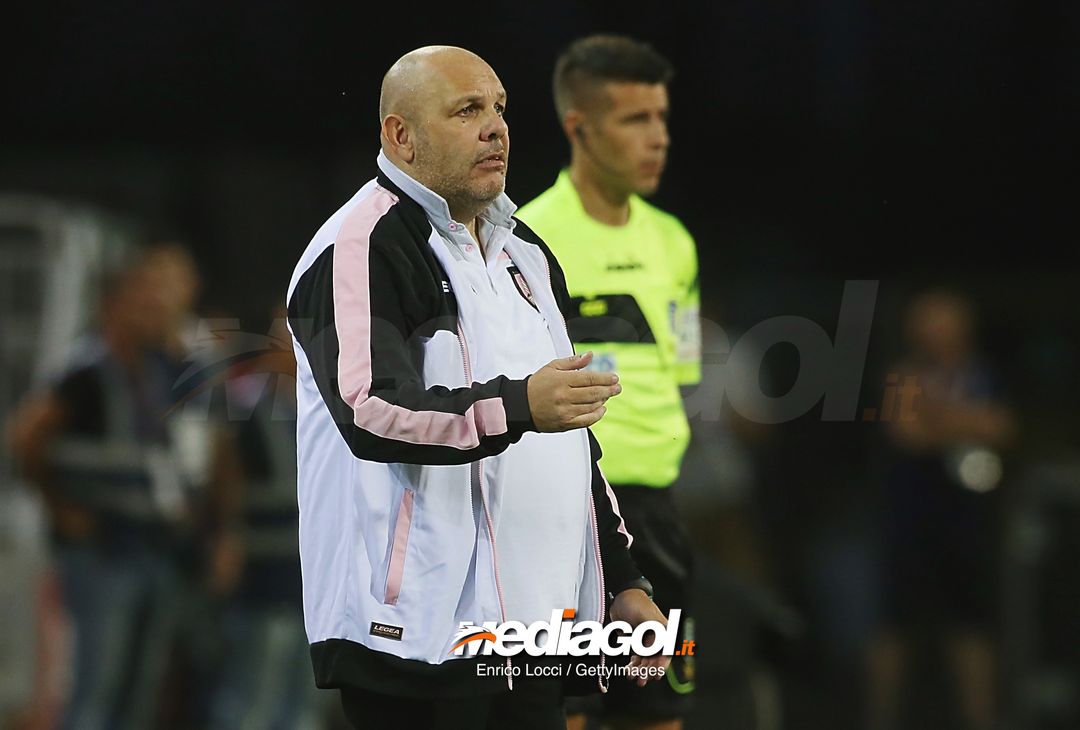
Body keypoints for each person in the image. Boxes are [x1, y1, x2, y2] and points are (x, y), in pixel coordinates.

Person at [286, 46, 669, 730]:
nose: (496, 127)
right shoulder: (360, 245)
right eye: (468, 110)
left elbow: (573, 432)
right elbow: (370, 410)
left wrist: (622, 581)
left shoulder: (527, 251)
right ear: (401, 136)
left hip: (537, 634)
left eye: (499, 109)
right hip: (421, 639)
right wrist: (520, 404)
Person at [517, 35, 700, 730]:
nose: (658, 138)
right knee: (564, 712)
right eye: (635, 120)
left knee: (660, 715)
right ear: (579, 128)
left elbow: (679, 374)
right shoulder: (527, 238)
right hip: (565, 515)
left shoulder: (674, 242)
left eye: (660, 118)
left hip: (654, 514)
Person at [8, 260, 189, 730]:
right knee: (96, 685)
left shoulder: (152, 371)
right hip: (101, 551)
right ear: (111, 306)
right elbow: (26, 437)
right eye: (140, 299)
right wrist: (59, 506)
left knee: (137, 691)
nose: (153, 309)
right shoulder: (84, 370)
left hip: (151, 545)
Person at [866, 290, 1015, 730]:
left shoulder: (984, 373)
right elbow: (907, 433)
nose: (933, 331)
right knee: (894, 631)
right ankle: (879, 720)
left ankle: (979, 720)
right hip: (910, 523)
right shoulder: (900, 375)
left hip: (967, 523)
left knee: (970, 628)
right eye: (924, 321)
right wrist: (969, 421)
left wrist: (937, 414)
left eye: (942, 320)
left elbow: (1003, 428)